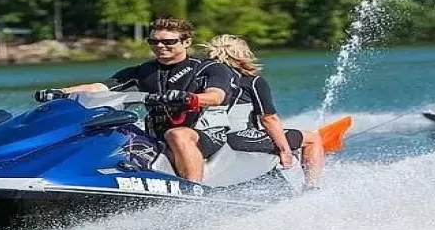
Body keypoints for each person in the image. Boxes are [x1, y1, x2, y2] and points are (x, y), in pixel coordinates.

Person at [34, 18, 236, 182]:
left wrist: (188, 98)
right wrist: (62, 92)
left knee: (177, 135)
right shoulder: (143, 71)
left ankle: (194, 191)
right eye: (154, 42)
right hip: (158, 134)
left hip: (206, 133)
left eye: (168, 42)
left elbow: (215, 96)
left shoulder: (209, 68)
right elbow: (100, 87)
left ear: (186, 42)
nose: (160, 46)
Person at [202, 34, 325, 190]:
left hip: (208, 137)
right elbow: (269, 119)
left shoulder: (202, 78)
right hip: (235, 138)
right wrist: (285, 150)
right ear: (242, 55)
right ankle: (311, 188)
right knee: (312, 139)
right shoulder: (251, 81)